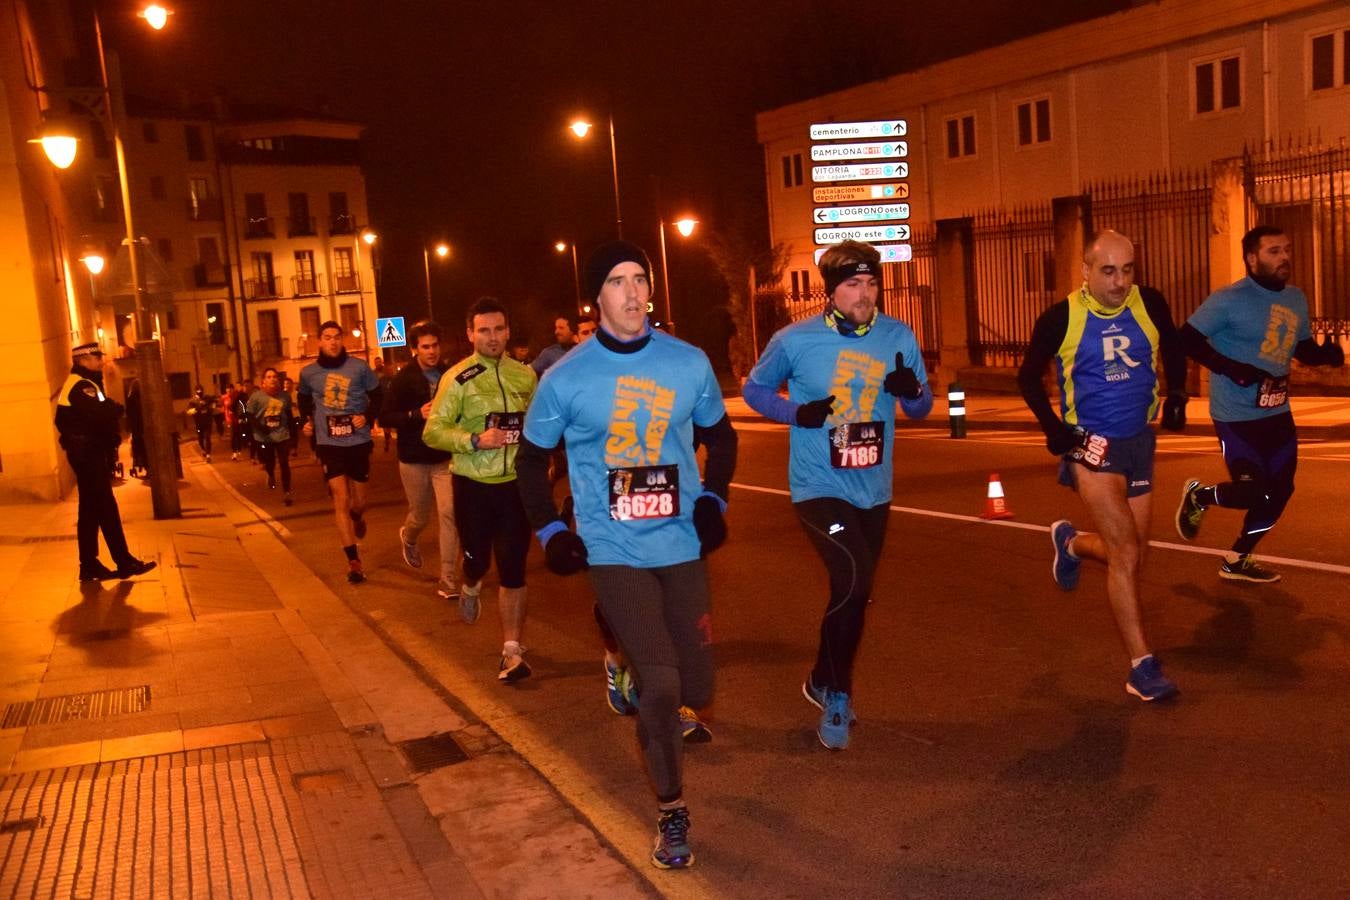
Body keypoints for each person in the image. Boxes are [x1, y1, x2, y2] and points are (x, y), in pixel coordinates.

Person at [517, 240, 736, 869]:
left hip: (681, 542)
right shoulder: (566, 379)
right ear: (598, 296)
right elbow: (531, 461)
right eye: (618, 281)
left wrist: (713, 501)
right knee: (663, 686)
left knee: (697, 683)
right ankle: (672, 813)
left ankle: (627, 665)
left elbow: (721, 436)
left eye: (640, 279)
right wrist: (553, 534)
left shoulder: (687, 362)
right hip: (613, 548)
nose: (634, 292)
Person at [743, 239, 933, 749]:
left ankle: (820, 677)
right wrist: (794, 412)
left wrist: (910, 390)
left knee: (853, 591)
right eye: (853, 284)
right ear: (831, 292)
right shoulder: (795, 340)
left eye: (871, 283)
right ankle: (839, 695)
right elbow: (754, 389)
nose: (865, 294)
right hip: (817, 486)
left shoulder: (897, 335)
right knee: (854, 576)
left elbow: (923, 408)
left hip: (873, 487)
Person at [1018, 229, 1188, 702]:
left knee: (1133, 554)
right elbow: (1027, 377)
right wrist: (1054, 429)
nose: (1118, 282)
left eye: (1127, 270)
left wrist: (1177, 393)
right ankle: (1141, 666)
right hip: (1090, 447)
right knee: (1128, 553)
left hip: (1138, 442)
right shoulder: (1061, 319)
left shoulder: (1149, 303)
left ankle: (1071, 544)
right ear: (1087, 271)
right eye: (1108, 271)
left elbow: (1173, 346)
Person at [1175, 225, 1345, 583]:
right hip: (1235, 415)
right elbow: (1185, 340)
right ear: (1252, 259)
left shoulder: (1296, 298)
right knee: (1253, 489)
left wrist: (1325, 356)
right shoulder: (1228, 299)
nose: (1284, 257)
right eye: (1273, 251)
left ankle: (1237, 558)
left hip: (1277, 412)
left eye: (1286, 249)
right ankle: (1200, 497)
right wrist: (1230, 368)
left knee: (1281, 490)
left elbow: (1299, 347)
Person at [424, 298, 537, 680]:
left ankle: (511, 651)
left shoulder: (525, 376)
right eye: (484, 330)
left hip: (514, 487)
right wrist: (475, 439)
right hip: (473, 485)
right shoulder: (456, 378)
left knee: (513, 567)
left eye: (499, 329)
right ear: (470, 333)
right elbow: (433, 431)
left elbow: (538, 428)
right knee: (477, 560)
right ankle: (470, 584)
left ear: (508, 331)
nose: (493, 337)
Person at [55, 342, 157, 582]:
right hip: (86, 454)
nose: (101, 361)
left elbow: (98, 412)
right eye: (96, 357)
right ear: (83, 360)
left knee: (90, 510)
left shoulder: (84, 383)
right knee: (106, 508)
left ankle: (89, 565)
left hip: (86, 452)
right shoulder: (81, 385)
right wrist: (115, 409)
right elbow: (100, 412)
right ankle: (123, 561)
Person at [378, 321, 463, 604]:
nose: (431, 351)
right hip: (413, 459)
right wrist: (416, 414)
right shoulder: (403, 379)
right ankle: (409, 536)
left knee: (450, 513)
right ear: (415, 349)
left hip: (443, 458)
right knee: (420, 515)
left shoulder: (449, 375)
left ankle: (448, 578)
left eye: (435, 345)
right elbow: (386, 417)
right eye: (425, 347)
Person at [298, 322, 382, 583]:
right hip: (329, 443)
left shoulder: (359, 368)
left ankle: (358, 515)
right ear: (319, 341)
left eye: (336, 337)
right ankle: (353, 561)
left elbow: (379, 396)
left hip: (357, 441)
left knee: (358, 501)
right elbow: (302, 400)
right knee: (340, 498)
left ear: (342, 340)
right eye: (327, 338)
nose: (332, 342)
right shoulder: (308, 373)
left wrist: (366, 417)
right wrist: (307, 422)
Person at [248, 367, 294, 505]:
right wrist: (260, 427)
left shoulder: (285, 396)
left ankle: (287, 492)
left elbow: (289, 416)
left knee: (284, 463)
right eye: (269, 377)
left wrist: (293, 437)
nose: (272, 379)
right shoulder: (256, 397)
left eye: (274, 376)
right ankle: (271, 474)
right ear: (263, 382)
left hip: (281, 434)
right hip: (264, 436)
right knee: (269, 462)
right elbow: (250, 415)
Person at [186, 386, 216, 462]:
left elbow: (214, 403)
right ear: (195, 391)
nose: (200, 392)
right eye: (198, 391)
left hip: (207, 422)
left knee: (207, 437)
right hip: (199, 423)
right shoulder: (193, 401)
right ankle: (203, 449)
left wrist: (211, 408)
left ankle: (208, 455)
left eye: (201, 390)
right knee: (200, 437)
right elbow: (189, 411)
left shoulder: (207, 398)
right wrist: (197, 409)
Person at [373, 356, 395, 452]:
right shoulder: (373, 374)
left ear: (381, 362)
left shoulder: (388, 371)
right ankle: (387, 434)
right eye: (376, 362)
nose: (378, 364)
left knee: (387, 417)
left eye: (379, 362)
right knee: (382, 418)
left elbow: (393, 382)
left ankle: (387, 436)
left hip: (388, 398)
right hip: (379, 400)